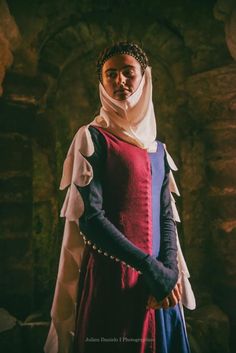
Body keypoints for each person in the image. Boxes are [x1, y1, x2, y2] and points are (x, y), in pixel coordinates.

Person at [44, 42, 196, 353]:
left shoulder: (159, 150)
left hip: (159, 283)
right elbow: (90, 219)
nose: (120, 81)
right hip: (113, 281)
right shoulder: (93, 138)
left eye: (128, 72)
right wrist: (149, 268)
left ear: (144, 77)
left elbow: (165, 215)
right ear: (102, 82)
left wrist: (167, 272)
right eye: (110, 74)